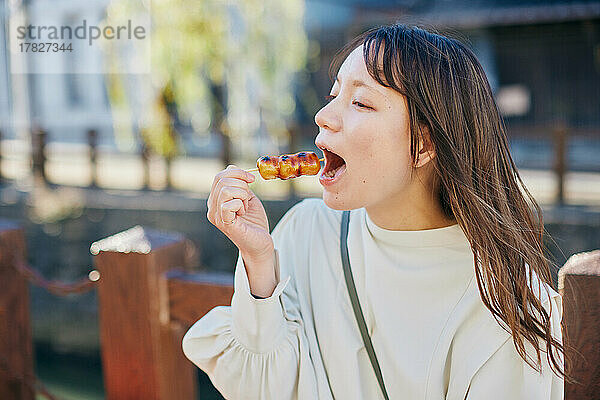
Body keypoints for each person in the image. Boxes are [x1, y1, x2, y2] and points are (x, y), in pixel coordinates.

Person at [182, 23, 566, 399]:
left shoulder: (504, 302)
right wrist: (260, 263)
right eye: (333, 96)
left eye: (360, 102)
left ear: (424, 143)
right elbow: (263, 387)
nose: (323, 116)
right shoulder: (306, 231)